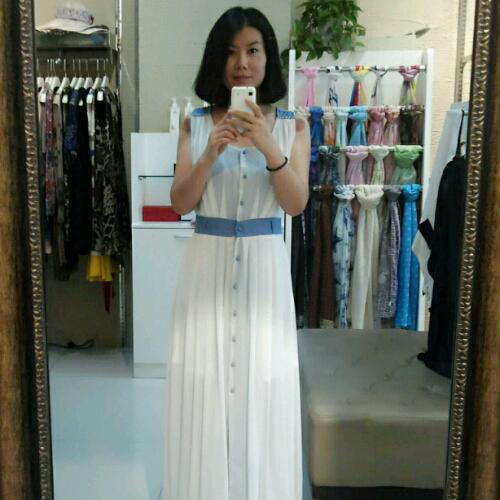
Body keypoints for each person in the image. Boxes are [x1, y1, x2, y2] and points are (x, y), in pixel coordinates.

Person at [162, 6, 310, 500]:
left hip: (265, 274)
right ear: (216, 60)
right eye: (230, 52)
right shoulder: (194, 124)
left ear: (268, 58)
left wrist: (269, 146)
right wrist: (211, 152)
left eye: (252, 50)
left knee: (264, 384)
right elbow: (180, 202)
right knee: (204, 384)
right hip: (205, 270)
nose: (242, 63)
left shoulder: (293, 126)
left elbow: (295, 205)